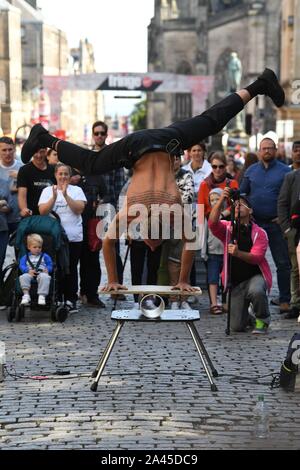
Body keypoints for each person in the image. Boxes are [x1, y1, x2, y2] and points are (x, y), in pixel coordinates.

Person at [21, 68, 285, 291]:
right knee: (93, 163)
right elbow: (113, 241)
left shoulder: (153, 212)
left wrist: (117, 280)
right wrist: (178, 281)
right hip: (154, 143)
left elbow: (183, 242)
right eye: (152, 243)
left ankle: (260, 84)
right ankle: (260, 84)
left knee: (211, 121)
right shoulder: (145, 212)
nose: (151, 245)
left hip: (159, 141)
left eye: (150, 243)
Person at [209, 188, 272, 334]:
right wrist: (221, 200)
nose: (237, 206)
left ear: (250, 211)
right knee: (236, 327)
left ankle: (262, 320)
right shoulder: (228, 228)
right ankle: (249, 318)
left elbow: (257, 257)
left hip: (254, 277)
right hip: (235, 282)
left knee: (256, 291)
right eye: (235, 204)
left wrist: (238, 253)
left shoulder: (260, 233)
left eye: (242, 204)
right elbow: (212, 223)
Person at [240, 137, 291, 313]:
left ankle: (285, 299)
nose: (267, 151)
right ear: (259, 151)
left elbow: (291, 197)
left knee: (283, 263)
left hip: (276, 224)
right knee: (251, 261)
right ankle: (251, 299)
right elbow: (242, 193)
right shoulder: (251, 171)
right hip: (254, 225)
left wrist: (283, 218)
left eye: (270, 148)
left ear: (275, 150)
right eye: (264, 148)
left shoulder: (285, 171)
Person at [38, 163, 86, 312]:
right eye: (61, 174)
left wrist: (65, 195)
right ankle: (57, 298)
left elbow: (79, 209)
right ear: (55, 175)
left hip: (73, 237)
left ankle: (71, 299)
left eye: (66, 174)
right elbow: (42, 212)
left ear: (70, 176)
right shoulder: (47, 191)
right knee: (56, 268)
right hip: (55, 238)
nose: (63, 177)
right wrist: (54, 198)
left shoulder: (77, 190)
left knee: (71, 268)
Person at [278, 141, 300, 319]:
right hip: (295, 229)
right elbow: (283, 202)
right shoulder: (291, 177)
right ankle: (295, 303)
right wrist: (286, 228)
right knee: (295, 267)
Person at [201, 188, 225, 315]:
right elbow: (204, 235)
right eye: (212, 200)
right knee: (213, 278)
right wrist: (204, 252)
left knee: (226, 279)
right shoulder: (208, 217)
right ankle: (214, 303)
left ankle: (226, 302)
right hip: (213, 252)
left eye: (217, 199)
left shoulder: (228, 215)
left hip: (226, 253)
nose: (215, 202)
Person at [198, 152, 239, 218]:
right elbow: (200, 209)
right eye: (214, 166)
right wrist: (200, 227)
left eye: (221, 166)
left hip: (227, 221)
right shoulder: (204, 184)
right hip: (209, 221)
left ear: (225, 166)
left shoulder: (232, 183)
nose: (217, 169)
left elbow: (237, 203)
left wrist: (222, 215)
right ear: (211, 166)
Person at [17, 148, 55, 217]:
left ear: (46, 151)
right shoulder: (24, 170)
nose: (39, 155)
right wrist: (24, 209)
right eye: (35, 152)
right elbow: (22, 195)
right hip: (31, 215)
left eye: (42, 152)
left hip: (51, 215)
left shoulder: (53, 169)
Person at [19, 233, 53, 306]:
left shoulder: (45, 256)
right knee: (23, 277)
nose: (37, 249)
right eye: (35, 247)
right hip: (29, 273)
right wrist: (27, 271)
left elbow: (50, 264)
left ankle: (42, 296)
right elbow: (22, 265)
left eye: (39, 247)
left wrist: (48, 269)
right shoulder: (25, 257)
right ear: (29, 247)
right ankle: (26, 295)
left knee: (45, 277)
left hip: (41, 273)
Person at [0, 136, 23, 234]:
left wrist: (21, 178)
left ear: (14, 150)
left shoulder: (22, 168)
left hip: (20, 219)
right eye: (4, 150)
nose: (7, 153)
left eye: (10, 149)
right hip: (2, 220)